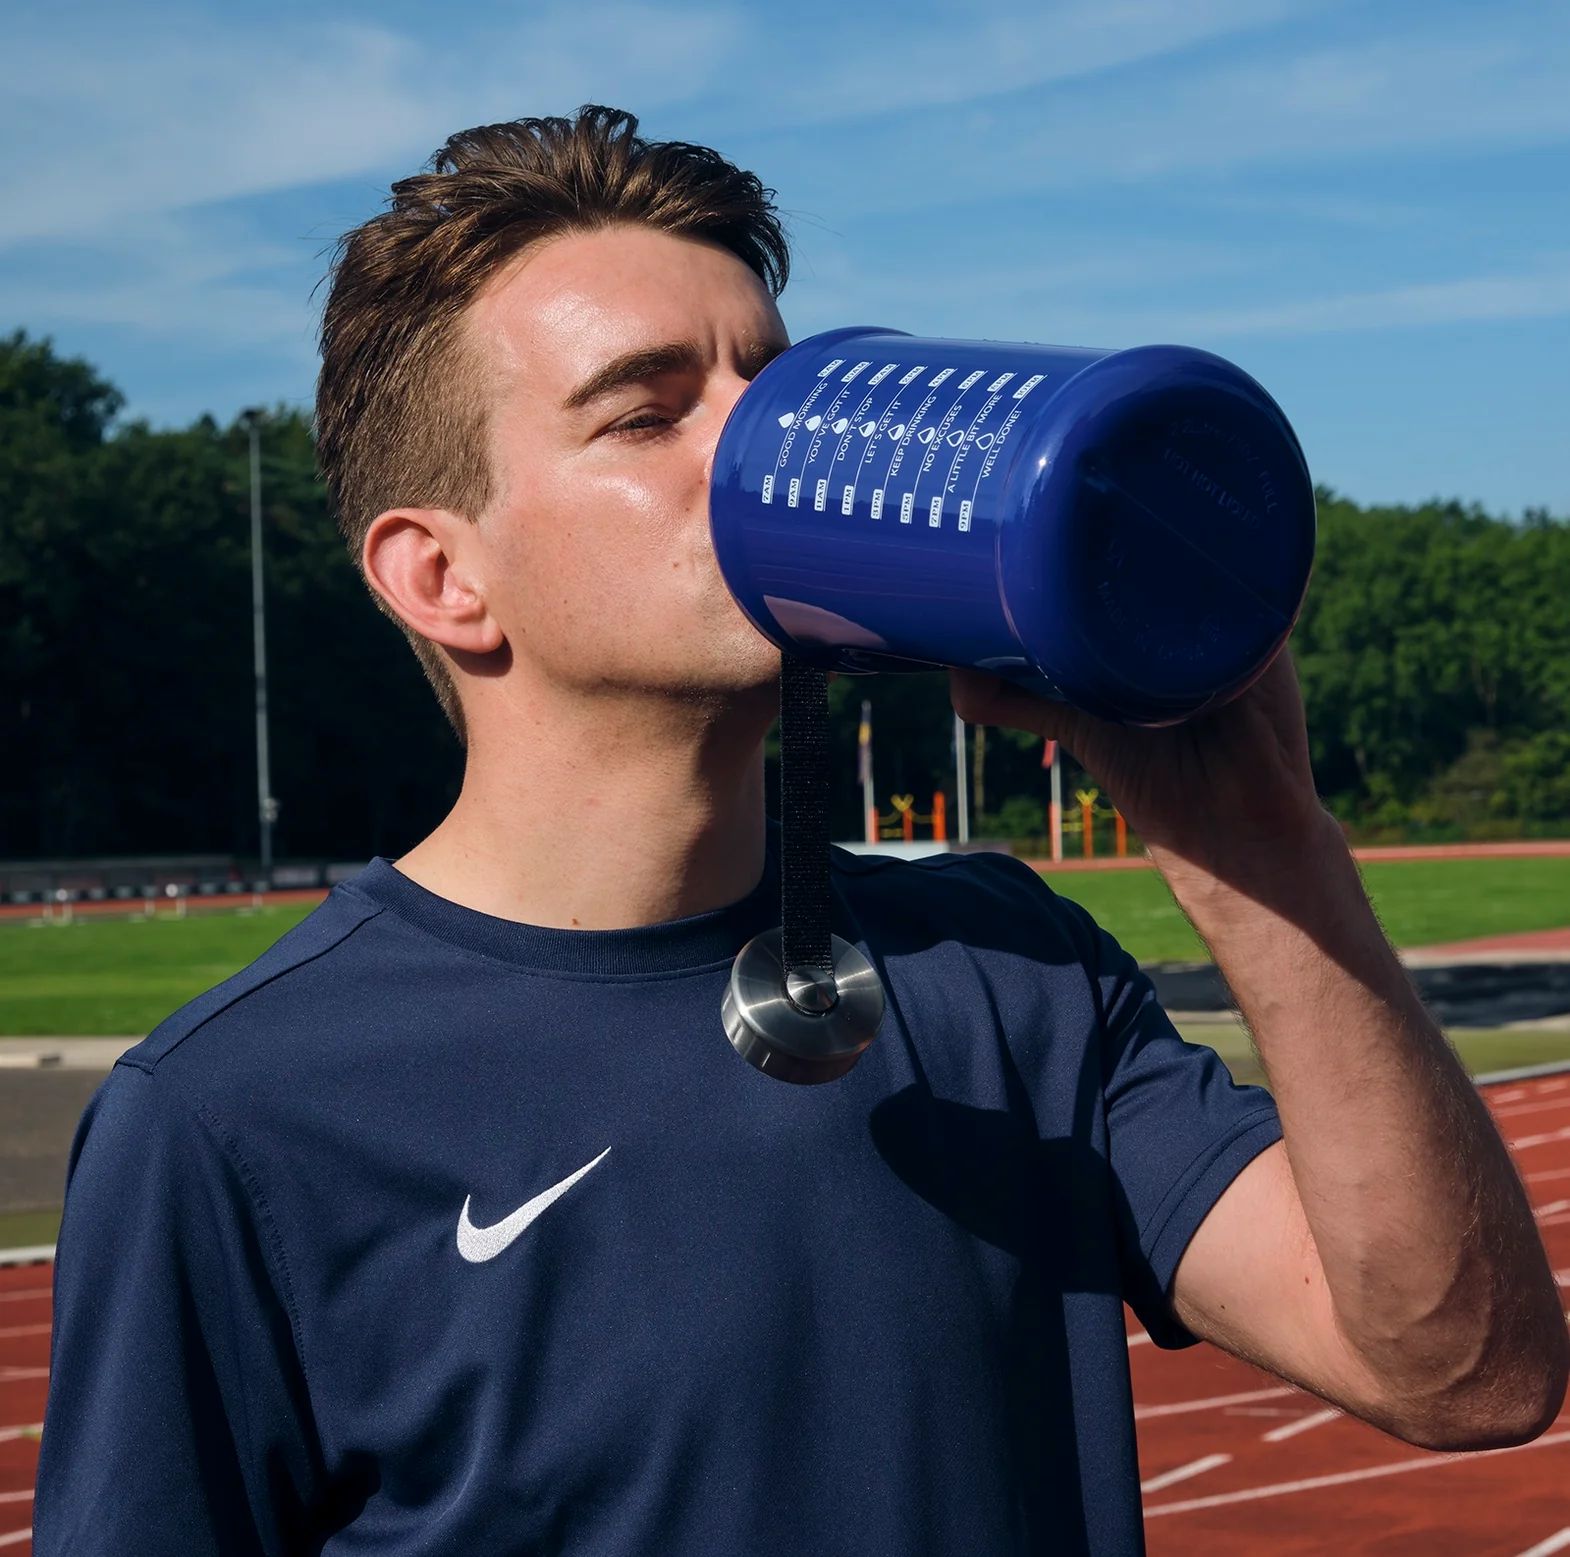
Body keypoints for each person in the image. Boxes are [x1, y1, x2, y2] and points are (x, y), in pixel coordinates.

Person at [35, 105, 1566, 1556]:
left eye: (765, 388)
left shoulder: (1006, 969)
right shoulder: (238, 1118)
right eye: (647, 412)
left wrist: (1265, 851)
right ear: (443, 577)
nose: (753, 446)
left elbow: (1464, 1371)